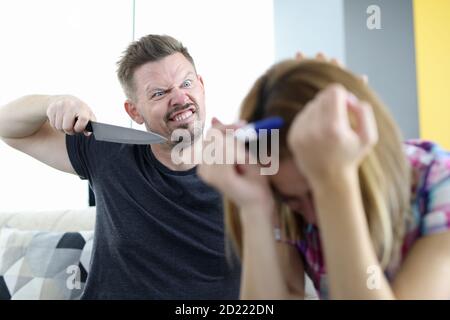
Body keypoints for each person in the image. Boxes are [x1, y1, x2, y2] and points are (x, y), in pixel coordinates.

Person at [0, 34, 241, 299]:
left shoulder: (248, 173)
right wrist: (52, 103)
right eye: (159, 93)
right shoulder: (110, 153)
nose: (180, 98)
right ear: (134, 112)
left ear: (201, 86)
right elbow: (8, 128)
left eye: (186, 83)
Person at [197, 58, 450, 299]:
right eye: (294, 200)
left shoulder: (440, 182)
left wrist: (333, 181)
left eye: (315, 192)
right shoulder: (289, 206)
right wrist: (254, 207)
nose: (314, 217)